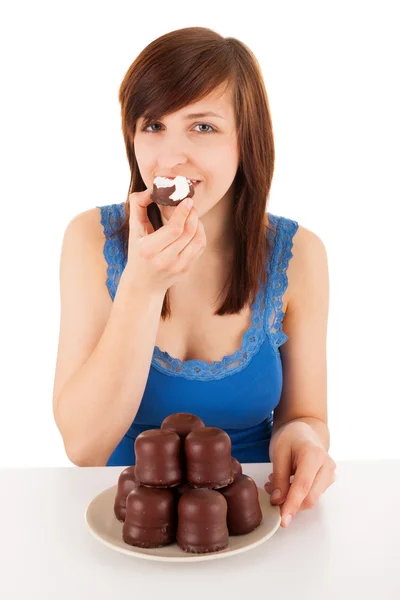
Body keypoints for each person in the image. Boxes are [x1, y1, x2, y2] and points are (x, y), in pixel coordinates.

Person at [52, 27, 336, 528]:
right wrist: (141, 286)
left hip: (257, 522)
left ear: (247, 140)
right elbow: (83, 446)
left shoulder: (300, 257)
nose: (170, 157)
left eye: (202, 127)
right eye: (153, 126)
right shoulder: (90, 241)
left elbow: (305, 416)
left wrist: (304, 439)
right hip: (125, 526)